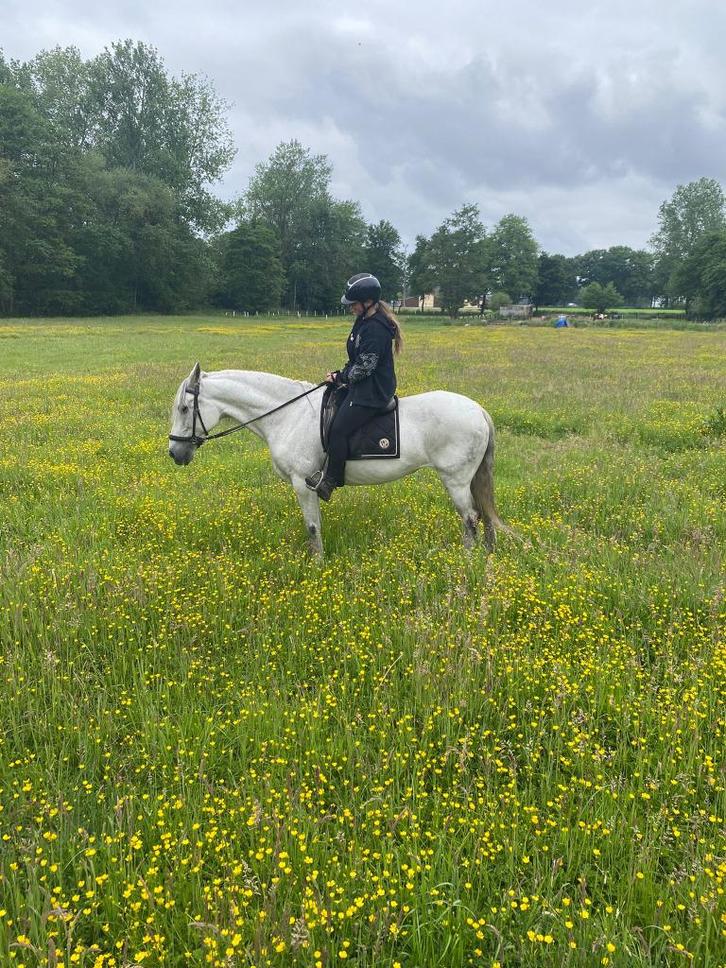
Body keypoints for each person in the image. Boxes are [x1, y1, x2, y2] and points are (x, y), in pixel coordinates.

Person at [305, 273, 403, 501]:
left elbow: (365, 367)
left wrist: (341, 379)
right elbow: (356, 359)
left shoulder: (376, 328)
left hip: (373, 391)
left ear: (367, 301)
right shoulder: (363, 320)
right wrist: (340, 374)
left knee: (338, 428)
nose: (351, 308)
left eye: (353, 304)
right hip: (362, 384)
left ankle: (331, 480)